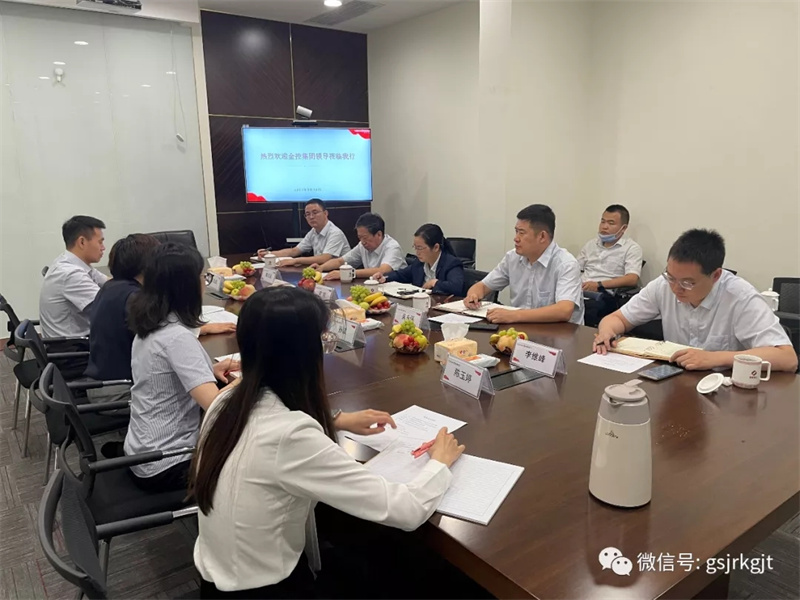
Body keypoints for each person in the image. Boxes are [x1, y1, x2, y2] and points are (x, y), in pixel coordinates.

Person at [190, 287, 465, 598]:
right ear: (303, 352)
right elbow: (405, 510)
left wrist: (337, 419)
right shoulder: (291, 436)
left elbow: (267, 430)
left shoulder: (225, 400)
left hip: (217, 580)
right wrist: (439, 463)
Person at [594, 229, 797, 372]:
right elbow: (616, 319)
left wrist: (715, 358)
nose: (676, 288)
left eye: (687, 283)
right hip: (678, 385)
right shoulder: (663, 285)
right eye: (671, 277)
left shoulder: (740, 297)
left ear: (715, 275)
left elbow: (787, 358)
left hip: (726, 392)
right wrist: (606, 332)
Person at [126, 243, 241, 493]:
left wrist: (209, 370)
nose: (204, 283)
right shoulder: (177, 337)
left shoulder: (151, 322)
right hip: (168, 463)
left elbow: (166, 374)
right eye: (202, 277)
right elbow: (216, 406)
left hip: (142, 450)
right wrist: (252, 372)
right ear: (186, 286)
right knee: (253, 457)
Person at [84, 235, 236, 404]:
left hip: (112, 382)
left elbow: (160, 365)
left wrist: (204, 371)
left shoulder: (114, 288)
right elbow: (215, 405)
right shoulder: (138, 303)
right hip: (119, 390)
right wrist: (248, 378)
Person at [464, 204, 584, 325]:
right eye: (516, 231)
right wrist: (473, 296)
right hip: (520, 330)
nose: (516, 238)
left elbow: (564, 310)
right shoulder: (512, 258)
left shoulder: (566, 264)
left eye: (521, 233)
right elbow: (483, 286)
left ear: (542, 236)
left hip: (559, 333)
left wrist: (514, 315)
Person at [39, 215, 108, 338]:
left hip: (74, 338)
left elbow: (107, 282)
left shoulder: (70, 261)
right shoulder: (71, 274)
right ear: (82, 242)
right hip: (72, 345)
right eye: (100, 242)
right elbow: (108, 307)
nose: (103, 248)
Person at [577, 205, 643, 326]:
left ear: (623, 228)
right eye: (603, 221)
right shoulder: (591, 244)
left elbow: (632, 278)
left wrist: (598, 285)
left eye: (611, 223)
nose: (604, 226)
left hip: (604, 295)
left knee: (588, 309)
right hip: (579, 291)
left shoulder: (632, 248)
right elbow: (575, 269)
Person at [375, 224, 465, 296]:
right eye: (415, 247)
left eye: (420, 248)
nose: (417, 252)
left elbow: (456, 287)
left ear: (436, 247)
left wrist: (434, 283)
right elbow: (401, 275)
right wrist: (385, 278)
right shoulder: (419, 263)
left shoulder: (451, 263)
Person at [257, 199, 350, 267]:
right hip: (322, 271)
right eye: (308, 214)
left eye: (315, 212)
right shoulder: (313, 231)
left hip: (341, 275)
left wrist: (295, 261)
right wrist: (269, 254)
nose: (311, 217)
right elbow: (294, 251)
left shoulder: (335, 233)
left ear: (325, 213)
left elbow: (324, 258)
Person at [315, 212, 407, 280]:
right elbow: (340, 261)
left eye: (365, 238)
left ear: (379, 234)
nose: (362, 242)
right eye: (359, 237)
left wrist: (347, 274)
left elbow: (383, 270)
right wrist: (321, 268)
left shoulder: (392, 247)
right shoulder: (362, 245)